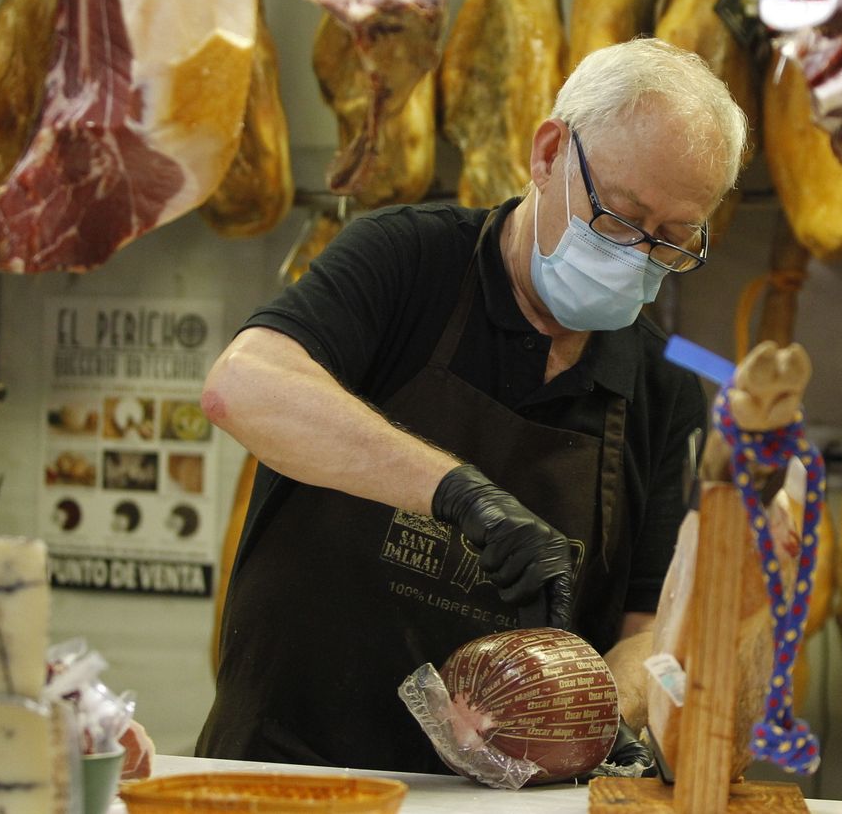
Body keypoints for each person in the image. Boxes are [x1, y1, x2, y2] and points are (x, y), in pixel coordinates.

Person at [195, 38, 747, 773]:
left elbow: (650, 626)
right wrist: (459, 495)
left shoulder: (658, 386)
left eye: (673, 239)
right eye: (620, 215)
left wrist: (586, 705)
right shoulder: (407, 260)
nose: (637, 255)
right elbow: (243, 384)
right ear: (548, 153)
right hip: (292, 772)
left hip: (499, 801)